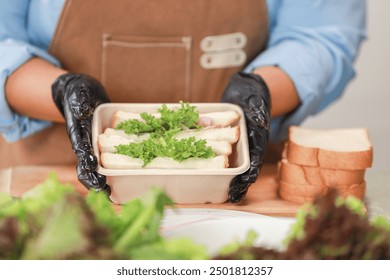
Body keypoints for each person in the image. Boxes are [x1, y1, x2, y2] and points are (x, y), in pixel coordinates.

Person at [0, 0, 366, 202]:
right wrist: (61, 91)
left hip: (244, 185)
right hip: (54, 181)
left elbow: (322, 36)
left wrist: (259, 91)